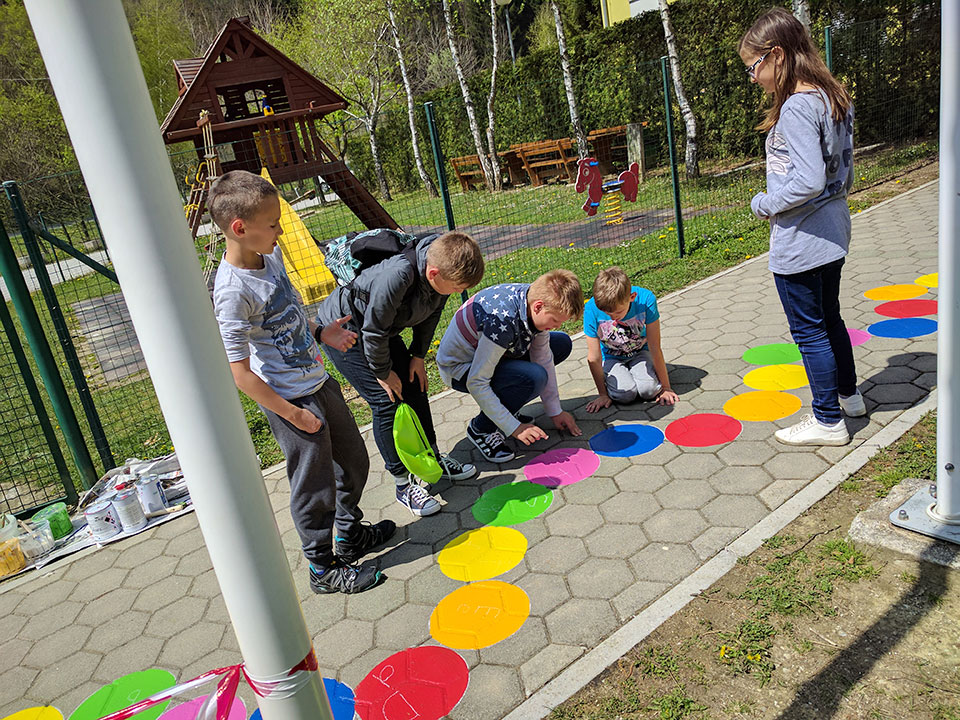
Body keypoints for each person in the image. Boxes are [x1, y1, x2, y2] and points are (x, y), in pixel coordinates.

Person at [210, 170, 394, 595]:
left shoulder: (270, 257)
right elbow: (240, 374)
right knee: (314, 486)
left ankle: (349, 535)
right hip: (291, 400)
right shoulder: (232, 291)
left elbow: (288, 315)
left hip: (319, 381)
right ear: (240, 228)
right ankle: (322, 567)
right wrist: (294, 415)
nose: (280, 231)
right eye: (273, 224)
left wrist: (321, 332)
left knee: (354, 463)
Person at [740, 7, 865, 446]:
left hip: (802, 240)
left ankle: (828, 420)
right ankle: (849, 397)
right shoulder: (834, 96)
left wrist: (764, 204)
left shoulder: (796, 107)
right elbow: (844, 174)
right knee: (830, 318)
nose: (753, 77)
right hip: (834, 232)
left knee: (810, 332)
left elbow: (808, 180)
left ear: (776, 55)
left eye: (754, 66)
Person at [317, 231, 485, 516]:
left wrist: (417, 355)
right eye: (457, 287)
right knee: (386, 401)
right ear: (433, 273)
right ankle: (402, 484)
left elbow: (432, 313)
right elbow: (373, 331)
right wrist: (383, 373)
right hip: (346, 330)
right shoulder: (397, 276)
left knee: (415, 385)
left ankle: (432, 460)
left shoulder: (443, 272)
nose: (458, 293)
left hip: (380, 329)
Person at [437, 269, 583, 463]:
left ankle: (507, 405)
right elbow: (476, 382)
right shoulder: (501, 322)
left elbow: (542, 356)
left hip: (493, 353)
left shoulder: (534, 300)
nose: (557, 326)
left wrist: (555, 410)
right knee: (534, 377)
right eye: (555, 320)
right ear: (538, 307)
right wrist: (514, 428)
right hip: (461, 369)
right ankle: (482, 429)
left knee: (560, 344)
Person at [583, 267, 678, 412]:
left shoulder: (646, 300)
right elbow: (594, 357)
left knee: (649, 390)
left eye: (618, 312)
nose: (612, 317)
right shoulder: (591, 309)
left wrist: (666, 387)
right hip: (610, 356)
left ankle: (640, 374)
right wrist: (602, 394)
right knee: (625, 395)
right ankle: (622, 377)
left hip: (640, 352)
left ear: (632, 297)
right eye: (607, 313)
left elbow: (654, 346)